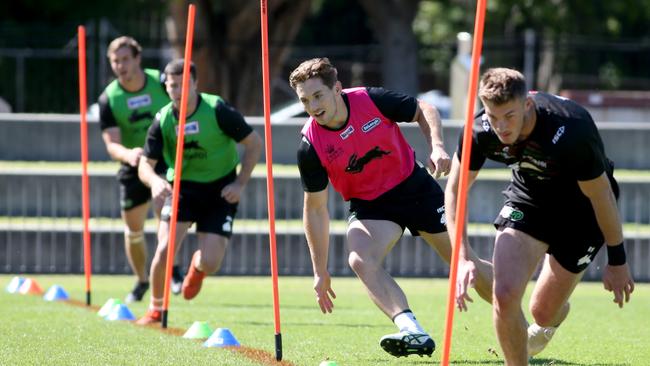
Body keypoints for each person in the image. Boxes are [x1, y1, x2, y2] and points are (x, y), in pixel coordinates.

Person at [289, 57, 493, 358]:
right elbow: (316, 209)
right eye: (305, 100)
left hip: (415, 188)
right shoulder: (310, 145)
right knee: (360, 259)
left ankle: (515, 308)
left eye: (318, 95)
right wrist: (320, 271)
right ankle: (412, 329)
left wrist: (436, 145)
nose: (313, 106)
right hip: (371, 205)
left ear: (337, 89)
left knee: (464, 263)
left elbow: (425, 109)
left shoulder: (370, 100)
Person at [444, 67, 635, 365]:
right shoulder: (479, 131)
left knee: (542, 312)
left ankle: (550, 320)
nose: (501, 127)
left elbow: (602, 196)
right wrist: (462, 256)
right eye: (493, 117)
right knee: (505, 295)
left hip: (581, 212)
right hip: (530, 199)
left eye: (509, 116)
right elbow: (456, 190)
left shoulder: (570, 130)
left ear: (527, 105)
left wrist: (618, 260)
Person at [135, 59, 262, 325]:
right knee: (165, 248)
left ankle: (197, 267)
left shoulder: (217, 110)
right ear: (166, 88)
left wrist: (239, 183)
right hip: (183, 188)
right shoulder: (163, 119)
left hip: (221, 189)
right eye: (172, 86)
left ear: (195, 83)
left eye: (183, 84)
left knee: (212, 262)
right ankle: (156, 308)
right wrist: (155, 182)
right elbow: (145, 164)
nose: (177, 91)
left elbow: (253, 143)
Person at [98, 36, 184, 303]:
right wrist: (130, 154)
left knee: (167, 218)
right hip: (133, 164)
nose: (121, 65)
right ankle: (141, 280)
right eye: (116, 61)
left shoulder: (161, 81)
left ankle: (173, 271)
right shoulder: (108, 98)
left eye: (126, 59)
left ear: (137, 59)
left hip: (165, 162)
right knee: (133, 230)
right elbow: (112, 145)